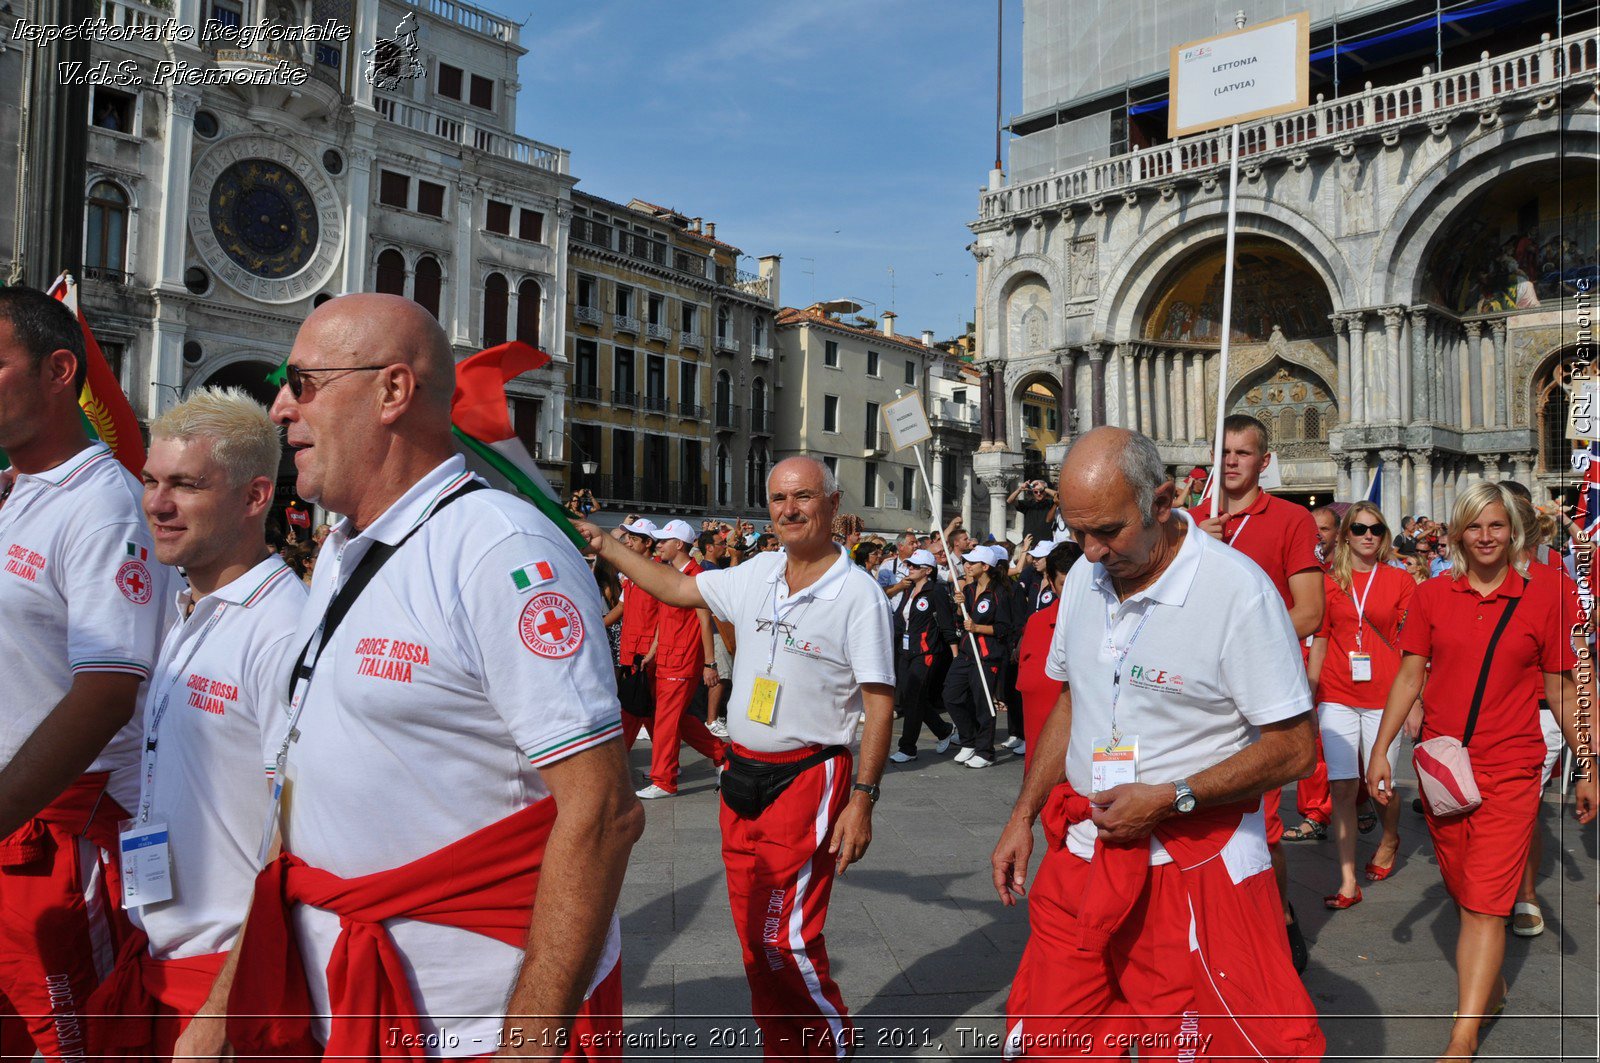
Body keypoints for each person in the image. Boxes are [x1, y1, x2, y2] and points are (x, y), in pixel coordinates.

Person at [180, 294, 641, 1061]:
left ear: (393, 391)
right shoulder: (337, 553)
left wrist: (525, 1046)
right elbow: (293, 801)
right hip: (342, 1001)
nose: (280, 408)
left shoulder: (501, 550)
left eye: (303, 382)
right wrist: (224, 1003)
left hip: (463, 1024)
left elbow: (603, 811)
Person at [992, 427, 1323, 1061]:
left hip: (1189, 863)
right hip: (1082, 853)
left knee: (1196, 1046)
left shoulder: (1237, 591)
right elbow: (1072, 699)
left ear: (1164, 500)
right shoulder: (1086, 579)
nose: (1089, 552)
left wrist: (1171, 797)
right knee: (1054, 1041)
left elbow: (1294, 748)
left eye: (1109, 532)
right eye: (1076, 531)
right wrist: (1023, 815)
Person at [575, 456, 894, 1061]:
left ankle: (829, 1048)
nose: (789, 509)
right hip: (741, 774)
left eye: (802, 496)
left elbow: (880, 704)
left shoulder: (858, 595)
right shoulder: (759, 571)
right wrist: (606, 546)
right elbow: (673, 586)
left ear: (832, 503)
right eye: (778, 498)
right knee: (753, 939)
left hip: (810, 777)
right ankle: (785, 1051)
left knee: (785, 941)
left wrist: (864, 799)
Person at [88, 389, 310, 1057]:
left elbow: (293, 847)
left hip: (229, 985)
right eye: (153, 480)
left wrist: (219, 1012)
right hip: (161, 961)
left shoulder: (282, 632)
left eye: (185, 484)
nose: (156, 502)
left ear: (254, 497)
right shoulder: (189, 610)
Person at [0, 287, 174, 1060]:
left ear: (58, 369)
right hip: (14, 829)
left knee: (79, 1045)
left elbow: (107, 690)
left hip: (62, 842)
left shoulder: (103, 505)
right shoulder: (19, 495)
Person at [1370, 481, 1595, 1063]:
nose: (1487, 537)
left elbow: (1562, 687)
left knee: (1484, 903)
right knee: (1461, 887)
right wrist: (1380, 750)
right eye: (1476, 527)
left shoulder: (1545, 596)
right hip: (1446, 771)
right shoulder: (1432, 596)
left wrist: (1588, 764)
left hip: (1514, 767)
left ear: (1513, 532)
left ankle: (1462, 1035)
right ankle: (1487, 988)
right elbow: (1409, 675)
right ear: (1457, 533)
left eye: (1497, 526)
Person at [1187, 413, 1323, 969]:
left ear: (1264, 461)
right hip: (1195, 697)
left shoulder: (1291, 520)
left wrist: (1240, 645)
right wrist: (1196, 543)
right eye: (1223, 452)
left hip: (1259, 695)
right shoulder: (1189, 522)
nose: (1232, 462)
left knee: (1261, 826)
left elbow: (1310, 611)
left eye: (1243, 453)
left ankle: (1278, 918)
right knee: (1197, 818)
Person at [1306, 501, 1414, 910]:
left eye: (1376, 529)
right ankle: (1348, 879)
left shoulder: (1400, 581)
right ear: (1345, 535)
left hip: (1385, 697)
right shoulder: (1328, 582)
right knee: (1342, 786)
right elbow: (1320, 639)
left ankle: (1389, 837)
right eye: (1359, 529)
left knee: (1381, 787)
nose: (1368, 535)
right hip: (1336, 694)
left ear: (1384, 536)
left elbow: (1412, 647)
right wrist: (1311, 692)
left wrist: (1415, 698)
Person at [635, 519, 726, 799]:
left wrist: (710, 663)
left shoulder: (696, 577)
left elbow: (704, 622)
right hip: (666, 658)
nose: (658, 545)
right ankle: (724, 756)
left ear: (679, 545)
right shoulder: (670, 574)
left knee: (666, 720)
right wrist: (652, 651)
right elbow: (664, 620)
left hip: (683, 660)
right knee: (679, 720)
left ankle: (664, 780)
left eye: (664, 541)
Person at [943, 544, 1017, 768]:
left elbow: (1005, 628)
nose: (966, 565)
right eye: (965, 562)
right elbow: (960, 622)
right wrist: (959, 608)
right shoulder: (967, 589)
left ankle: (985, 752)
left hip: (987, 655)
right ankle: (969, 740)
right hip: (966, 653)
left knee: (983, 704)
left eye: (972, 562)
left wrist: (977, 628)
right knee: (951, 695)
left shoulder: (1000, 592)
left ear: (985, 566)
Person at [1012, 541, 1078, 772]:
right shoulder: (1037, 623)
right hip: (1040, 747)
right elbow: (1027, 678)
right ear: (1051, 582)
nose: (1073, 591)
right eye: (1064, 584)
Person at [889, 549, 957, 763]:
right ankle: (944, 729)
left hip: (925, 652)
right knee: (911, 697)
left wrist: (955, 655)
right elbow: (901, 619)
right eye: (909, 565)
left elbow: (947, 623)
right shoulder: (909, 589)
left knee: (914, 698)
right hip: (906, 651)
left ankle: (908, 748)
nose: (910, 568)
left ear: (928, 571)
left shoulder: (936, 590)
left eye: (915, 566)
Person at [1007, 478, 1056, 543]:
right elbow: (1010, 501)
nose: (1038, 494)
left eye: (1041, 491)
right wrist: (1020, 489)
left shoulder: (1050, 503)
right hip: (1029, 542)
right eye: (1036, 492)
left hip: (1046, 542)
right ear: (1032, 492)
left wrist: (1044, 488)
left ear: (1045, 492)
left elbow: (1059, 496)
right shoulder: (1028, 504)